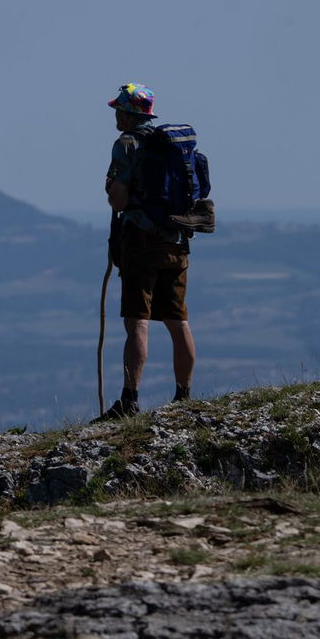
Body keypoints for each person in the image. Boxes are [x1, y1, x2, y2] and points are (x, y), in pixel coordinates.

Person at [97, 83, 195, 420]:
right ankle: (184, 396)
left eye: (118, 110)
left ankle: (129, 400)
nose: (115, 116)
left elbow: (120, 201)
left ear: (127, 113)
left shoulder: (126, 144)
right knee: (177, 320)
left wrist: (112, 187)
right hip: (177, 240)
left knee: (137, 321)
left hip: (141, 242)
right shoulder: (168, 145)